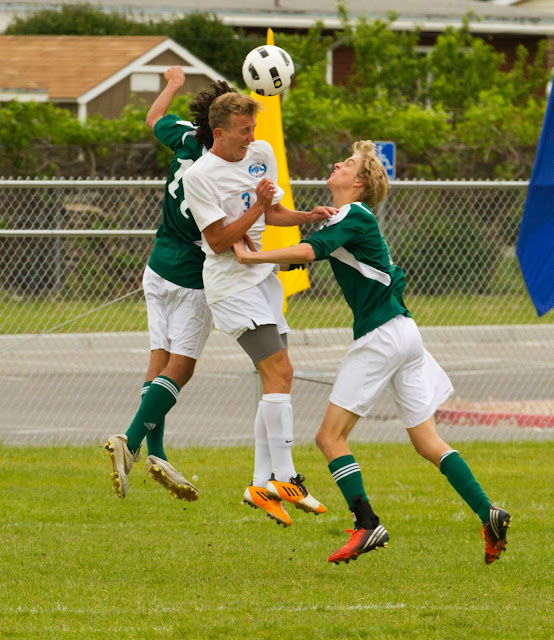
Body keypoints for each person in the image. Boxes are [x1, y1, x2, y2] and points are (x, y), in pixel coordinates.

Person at [233, 140, 511, 564]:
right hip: (403, 332)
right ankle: (488, 511)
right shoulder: (345, 218)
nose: (336, 163)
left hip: (381, 336)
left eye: (347, 163)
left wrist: (249, 258)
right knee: (427, 441)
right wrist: (258, 255)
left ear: (359, 182)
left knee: (329, 438)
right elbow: (303, 257)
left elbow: (307, 251)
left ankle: (367, 524)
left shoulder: (354, 214)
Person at [181, 92, 336, 527]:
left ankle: (258, 484)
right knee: (281, 371)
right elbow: (217, 241)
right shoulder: (200, 176)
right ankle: (285, 477)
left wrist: (307, 216)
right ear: (219, 133)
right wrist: (259, 207)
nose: (251, 137)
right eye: (243, 131)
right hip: (231, 286)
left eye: (253, 129)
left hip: (263, 281)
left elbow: (275, 213)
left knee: (275, 380)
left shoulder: (261, 153)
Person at [105, 67, 236, 501]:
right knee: (181, 368)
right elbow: (222, 233)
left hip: (157, 265)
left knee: (158, 363)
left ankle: (157, 453)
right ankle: (130, 442)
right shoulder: (221, 167)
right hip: (190, 276)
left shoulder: (186, 137)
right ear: (222, 129)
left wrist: (173, 85)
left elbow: (153, 118)